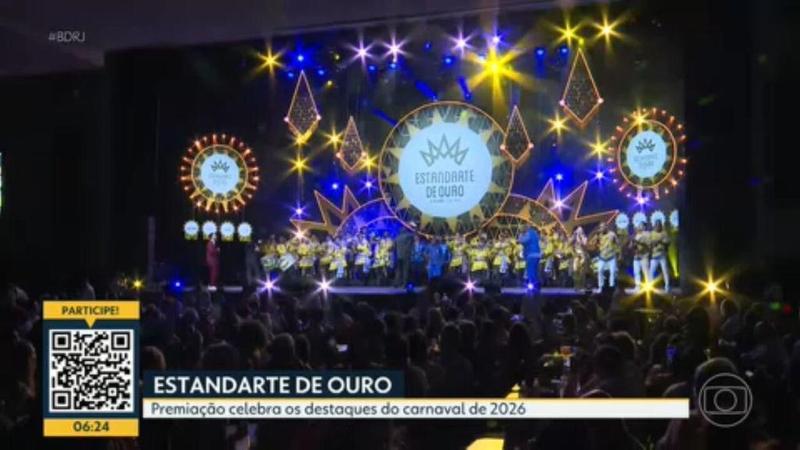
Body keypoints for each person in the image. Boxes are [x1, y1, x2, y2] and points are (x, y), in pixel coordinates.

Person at [649, 220, 671, 291]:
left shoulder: (664, 233)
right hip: (654, 256)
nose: (658, 226)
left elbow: (668, 242)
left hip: (662, 255)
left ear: (661, 225)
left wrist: (660, 241)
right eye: (657, 225)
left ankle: (667, 286)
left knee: (665, 271)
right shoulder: (651, 233)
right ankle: (650, 287)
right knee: (651, 272)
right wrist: (654, 243)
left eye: (659, 225)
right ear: (654, 226)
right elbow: (649, 243)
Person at [596, 222, 618, 290]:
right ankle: (600, 287)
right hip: (602, 257)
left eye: (602, 227)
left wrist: (615, 245)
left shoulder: (612, 234)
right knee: (600, 271)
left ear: (606, 227)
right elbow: (596, 244)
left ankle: (611, 286)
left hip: (611, 257)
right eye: (600, 227)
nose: (601, 228)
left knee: (612, 272)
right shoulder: (599, 235)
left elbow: (617, 243)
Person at [394, 223, 415, 287]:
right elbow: (412, 242)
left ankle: (397, 283)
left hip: (398, 255)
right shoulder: (409, 236)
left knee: (398, 270)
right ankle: (404, 283)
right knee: (405, 270)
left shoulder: (397, 237)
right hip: (406, 255)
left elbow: (394, 247)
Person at [631, 223, 651, 291]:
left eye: (641, 226)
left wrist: (637, 242)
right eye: (639, 226)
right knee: (636, 273)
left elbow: (648, 245)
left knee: (646, 272)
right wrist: (632, 244)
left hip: (644, 256)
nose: (639, 227)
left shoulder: (647, 234)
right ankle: (637, 287)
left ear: (644, 227)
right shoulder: (636, 235)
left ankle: (648, 288)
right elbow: (633, 245)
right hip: (636, 257)